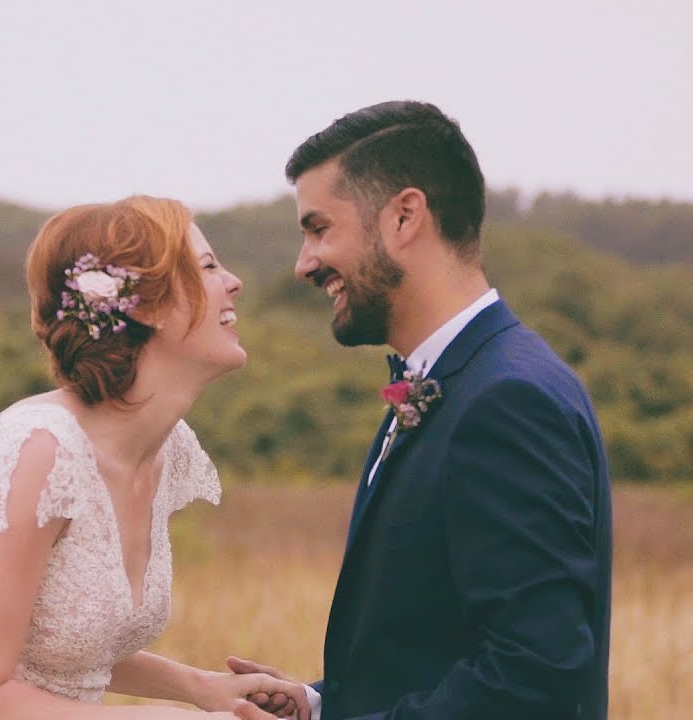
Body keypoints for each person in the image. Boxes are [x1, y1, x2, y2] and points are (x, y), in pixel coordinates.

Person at [231, 101, 612, 719]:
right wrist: (318, 707)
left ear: (405, 216)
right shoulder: (451, 380)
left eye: (319, 229)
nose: (303, 264)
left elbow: (532, 678)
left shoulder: (508, 400)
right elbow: (428, 650)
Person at [0, 196, 313, 720]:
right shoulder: (41, 452)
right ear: (145, 308)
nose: (234, 281)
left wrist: (202, 687)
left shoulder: (164, 449)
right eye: (207, 267)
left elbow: (63, 644)